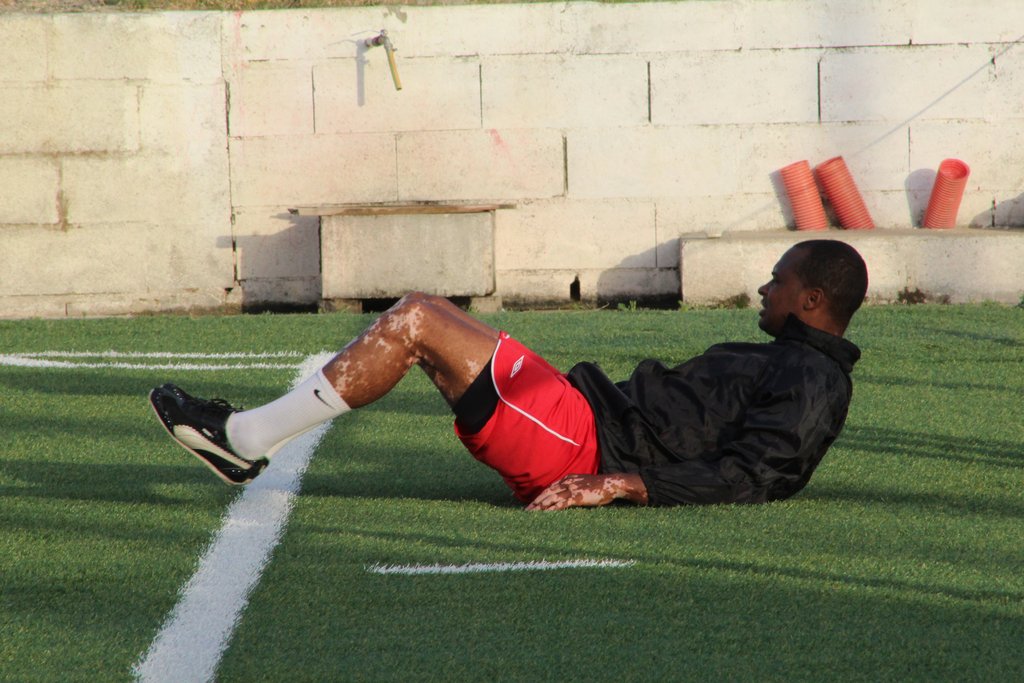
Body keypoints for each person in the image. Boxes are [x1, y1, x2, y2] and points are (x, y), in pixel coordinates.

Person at [150, 239, 867, 511]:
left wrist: (619, 483)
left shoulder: (814, 380)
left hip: (581, 446)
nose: (764, 290)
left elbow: (758, 475)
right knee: (425, 308)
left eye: (778, 281)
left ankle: (244, 438)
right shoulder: (788, 357)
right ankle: (249, 437)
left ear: (812, 299)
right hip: (580, 414)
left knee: (415, 323)